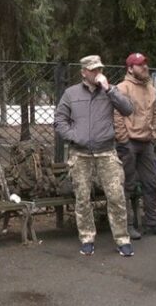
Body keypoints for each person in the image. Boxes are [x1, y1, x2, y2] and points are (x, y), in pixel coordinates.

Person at [54, 55, 134, 257]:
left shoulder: (110, 91)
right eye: (92, 70)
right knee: (82, 198)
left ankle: (122, 239)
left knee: (116, 196)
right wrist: (74, 136)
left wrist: (109, 89)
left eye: (99, 69)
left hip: (106, 151)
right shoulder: (71, 93)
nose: (97, 73)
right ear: (83, 72)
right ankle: (87, 238)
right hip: (80, 154)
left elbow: (127, 109)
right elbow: (59, 119)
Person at [113, 53, 156, 239]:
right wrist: (123, 140)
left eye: (145, 64)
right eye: (140, 65)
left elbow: (154, 115)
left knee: (152, 183)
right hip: (129, 143)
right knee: (127, 185)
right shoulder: (122, 88)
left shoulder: (151, 88)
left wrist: (153, 136)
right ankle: (127, 225)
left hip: (147, 143)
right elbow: (117, 116)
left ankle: (152, 222)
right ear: (130, 68)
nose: (145, 67)